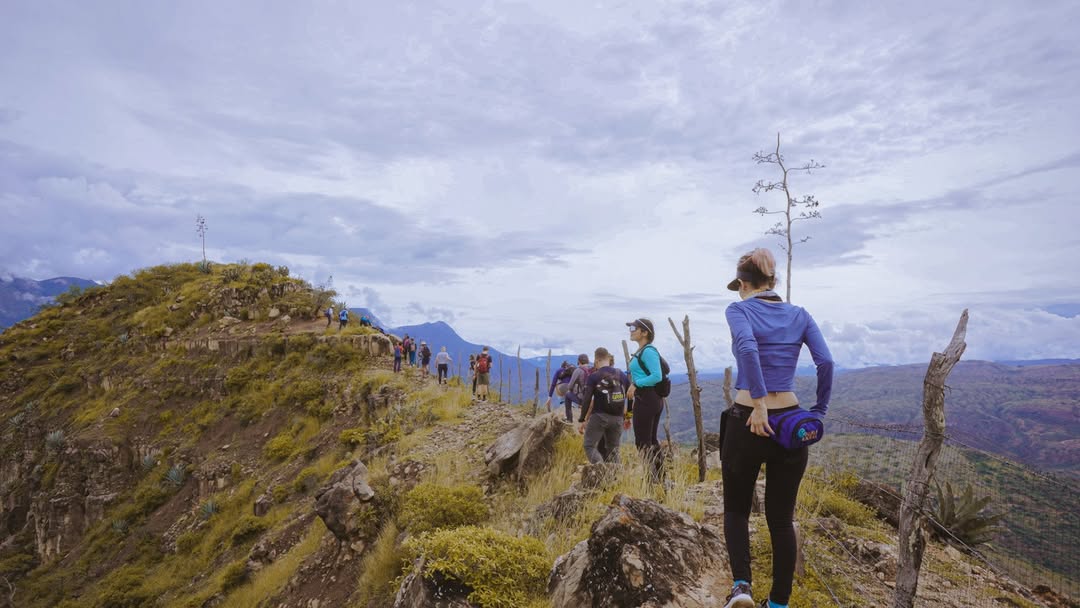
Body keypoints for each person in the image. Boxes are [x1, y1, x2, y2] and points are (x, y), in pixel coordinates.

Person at [720, 248, 833, 608]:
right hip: (792, 423)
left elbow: (748, 348)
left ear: (742, 284)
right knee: (782, 520)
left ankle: (742, 588)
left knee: (736, 510)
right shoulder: (800, 314)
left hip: (748, 419)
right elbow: (826, 361)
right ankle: (779, 603)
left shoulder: (738, 309)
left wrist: (758, 404)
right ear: (772, 282)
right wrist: (818, 412)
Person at [626, 317, 666, 484]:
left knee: (642, 442)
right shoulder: (642, 351)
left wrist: (636, 384)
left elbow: (656, 375)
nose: (631, 331)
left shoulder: (648, 351)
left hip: (647, 399)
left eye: (634, 328)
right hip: (650, 399)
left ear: (645, 333)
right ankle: (659, 478)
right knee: (651, 440)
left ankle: (651, 480)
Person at [577, 347, 630, 464]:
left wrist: (582, 419)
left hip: (599, 417)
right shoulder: (621, 374)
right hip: (618, 418)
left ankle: (600, 468)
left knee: (589, 445)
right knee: (613, 450)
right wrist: (628, 416)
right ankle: (615, 478)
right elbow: (630, 396)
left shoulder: (594, 376)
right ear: (608, 358)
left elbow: (586, 400)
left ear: (596, 361)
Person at [564, 354, 593, 423]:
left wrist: (573, 390)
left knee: (567, 395)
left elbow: (570, 386)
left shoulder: (578, 370)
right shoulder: (593, 369)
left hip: (584, 400)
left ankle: (569, 419)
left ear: (579, 361)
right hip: (594, 400)